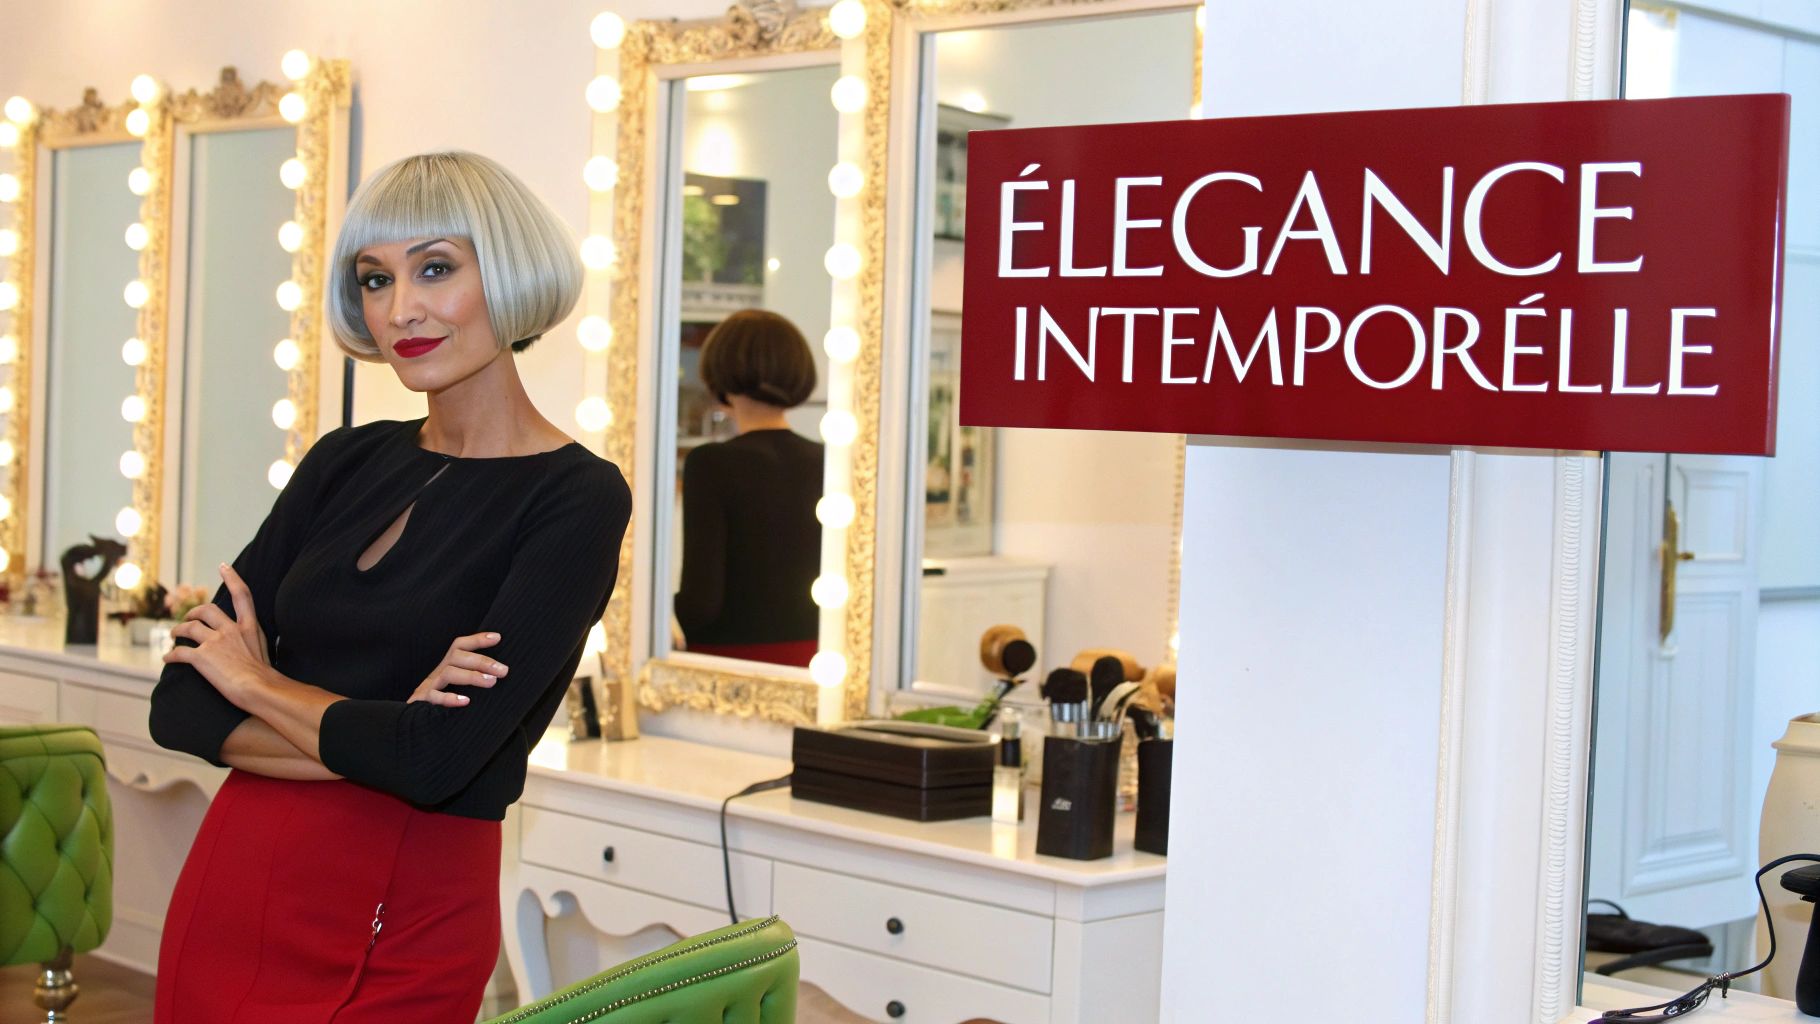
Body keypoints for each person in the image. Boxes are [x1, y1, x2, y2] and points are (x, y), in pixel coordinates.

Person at [146, 151, 631, 1023]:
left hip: (404, 913)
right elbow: (179, 706)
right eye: (375, 279)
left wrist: (258, 684)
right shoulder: (346, 459)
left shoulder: (577, 498)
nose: (399, 307)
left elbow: (439, 766)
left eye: (435, 268)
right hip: (238, 882)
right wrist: (389, 735)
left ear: (511, 273)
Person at [673, 309, 823, 667]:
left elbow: (701, 602)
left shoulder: (709, 463)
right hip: (817, 658)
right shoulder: (829, 460)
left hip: (727, 662)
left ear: (720, 372)